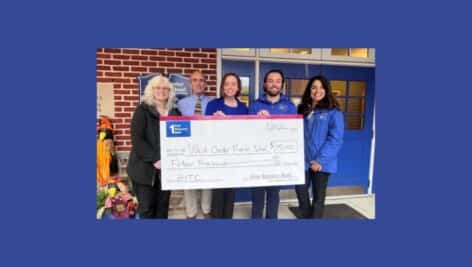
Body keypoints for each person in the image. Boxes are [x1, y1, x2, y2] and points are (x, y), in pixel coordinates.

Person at [127, 75, 181, 219]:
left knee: (163, 209)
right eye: (157, 87)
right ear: (151, 90)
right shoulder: (142, 110)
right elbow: (137, 140)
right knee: (147, 209)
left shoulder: (175, 113)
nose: (161, 91)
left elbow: (183, 139)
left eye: (165, 88)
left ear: (170, 92)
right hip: (144, 171)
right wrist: (155, 159)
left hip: (166, 171)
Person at [249, 69, 297, 219]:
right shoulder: (255, 105)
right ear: (265, 84)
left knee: (273, 192)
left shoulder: (289, 107)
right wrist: (256, 121)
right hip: (258, 157)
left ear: (282, 84)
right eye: (270, 80)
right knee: (257, 193)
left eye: (277, 81)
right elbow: (247, 132)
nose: (274, 84)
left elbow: (293, 133)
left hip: (278, 158)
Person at [295, 75, 344, 218]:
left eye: (321, 87)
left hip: (322, 163)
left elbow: (335, 139)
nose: (317, 91)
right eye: (314, 87)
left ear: (326, 90)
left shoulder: (334, 112)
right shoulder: (303, 110)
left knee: (318, 198)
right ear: (309, 90)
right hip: (302, 161)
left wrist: (320, 161)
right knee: (301, 194)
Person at [205, 72, 248, 218]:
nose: (230, 87)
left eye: (233, 84)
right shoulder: (213, 105)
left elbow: (246, 134)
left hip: (235, 159)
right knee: (217, 196)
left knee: (230, 196)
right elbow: (205, 132)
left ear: (238, 88)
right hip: (218, 158)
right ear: (222, 86)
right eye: (227, 83)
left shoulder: (243, 108)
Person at [177, 70, 213, 219]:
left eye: (201, 80)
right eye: (195, 80)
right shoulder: (181, 104)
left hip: (208, 147)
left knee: (208, 181)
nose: (198, 83)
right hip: (188, 148)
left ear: (205, 83)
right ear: (190, 83)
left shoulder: (213, 102)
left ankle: (206, 210)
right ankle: (191, 213)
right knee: (189, 180)